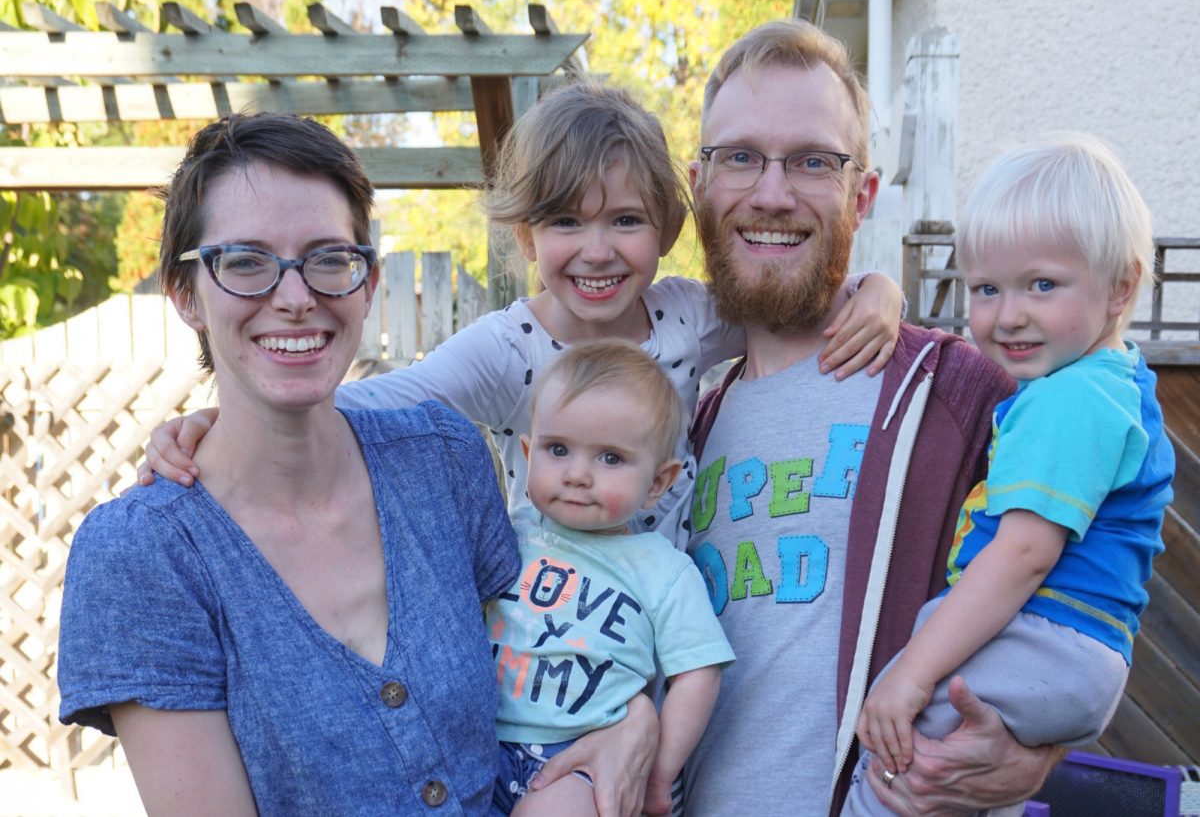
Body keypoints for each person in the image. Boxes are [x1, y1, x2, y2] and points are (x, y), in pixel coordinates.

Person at [136, 80, 902, 813]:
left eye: (625, 222)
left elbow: (791, 305)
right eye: (566, 223)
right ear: (526, 235)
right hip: (552, 647)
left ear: (669, 228)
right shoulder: (510, 348)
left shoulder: (688, 319)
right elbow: (366, 401)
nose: (597, 251)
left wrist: (876, 291)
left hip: (659, 625)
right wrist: (212, 424)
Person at [56, 112, 521, 815]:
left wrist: (617, 736)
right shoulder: (144, 555)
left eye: (329, 258)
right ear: (185, 293)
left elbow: (550, 678)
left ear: (366, 282)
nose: (297, 297)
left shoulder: (445, 463)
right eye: (246, 262)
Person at [673, 19, 1067, 816]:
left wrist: (1034, 752)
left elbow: (1094, 596)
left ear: (863, 194)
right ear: (700, 185)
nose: (773, 192)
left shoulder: (956, 398)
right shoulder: (677, 433)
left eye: (813, 161)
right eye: (740, 157)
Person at [844, 135, 1174, 816]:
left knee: (895, 761)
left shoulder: (1069, 399)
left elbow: (1024, 554)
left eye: (1042, 285)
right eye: (987, 288)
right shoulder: (1111, 381)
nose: (1009, 314)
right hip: (1075, 651)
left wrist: (911, 672)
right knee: (964, 783)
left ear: (1121, 287)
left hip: (1047, 634)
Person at [490, 338, 734, 816]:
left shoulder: (662, 570)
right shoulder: (506, 536)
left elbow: (699, 673)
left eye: (610, 458)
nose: (578, 474)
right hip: (480, 741)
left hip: (584, 754)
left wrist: (660, 772)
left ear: (659, 483)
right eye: (557, 449)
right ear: (527, 451)